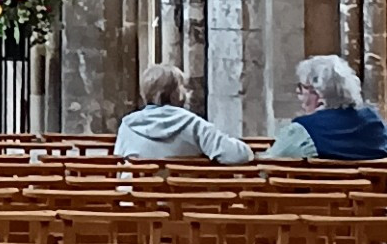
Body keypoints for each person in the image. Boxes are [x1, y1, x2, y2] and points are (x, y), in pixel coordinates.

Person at [111, 60, 253, 162]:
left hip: (135, 201)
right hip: (183, 200)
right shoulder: (191, 123)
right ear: (176, 93)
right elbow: (238, 155)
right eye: (183, 87)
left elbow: (119, 166)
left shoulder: (128, 125)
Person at [271, 52, 387, 160]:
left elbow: (268, 165)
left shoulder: (302, 132)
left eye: (302, 87)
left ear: (319, 93)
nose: (297, 91)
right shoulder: (374, 123)